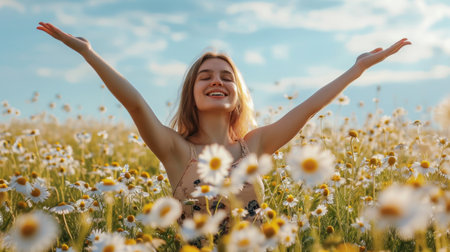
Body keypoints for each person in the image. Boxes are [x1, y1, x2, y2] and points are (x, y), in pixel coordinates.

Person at [36, 22, 410, 225]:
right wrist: (88, 53)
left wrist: (357, 68)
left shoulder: (256, 145)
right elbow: (135, 105)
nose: (217, 80)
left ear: (237, 94)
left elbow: (309, 109)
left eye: (226, 76)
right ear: (191, 92)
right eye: (206, 76)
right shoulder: (175, 150)